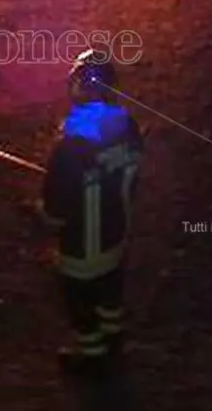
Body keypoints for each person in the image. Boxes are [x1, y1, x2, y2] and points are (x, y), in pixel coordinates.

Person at [35, 48, 143, 376]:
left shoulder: (68, 144)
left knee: (79, 300)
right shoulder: (128, 125)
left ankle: (93, 355)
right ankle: (114, 334)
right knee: (111, 286)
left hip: (82, 246)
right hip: (118, 234)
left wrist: (39, 212)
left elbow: (54, 212)